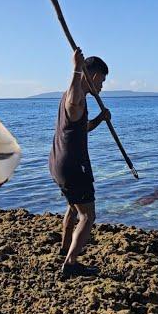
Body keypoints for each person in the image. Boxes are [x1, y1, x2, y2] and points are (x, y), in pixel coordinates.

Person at [49, 47, 111, 278]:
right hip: (73, 166)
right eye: (102, 81)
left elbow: (79, 128)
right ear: (93, 76)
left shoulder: (71, 97)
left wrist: (100, 119)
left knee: (73, 207)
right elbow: (74, 104)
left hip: (58, 163)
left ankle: (65, 248)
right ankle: (71, 263)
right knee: (88, 216)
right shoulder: (75, 97)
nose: (102, 87)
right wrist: (76, 68)